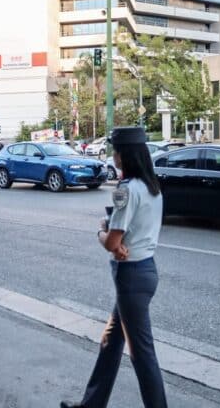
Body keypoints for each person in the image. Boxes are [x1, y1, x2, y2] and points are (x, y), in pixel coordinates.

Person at [61, 126, 167, 408]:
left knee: (141, 354)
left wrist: (101, 231)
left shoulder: (126, 190)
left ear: (125, 155)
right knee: (111, 341)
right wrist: (118, 242)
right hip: (146, 269)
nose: (113, 156)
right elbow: (135, 232)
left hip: (130, 277)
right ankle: (91, 404)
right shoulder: (152, 186)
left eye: (116, 151)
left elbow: (111, 242)